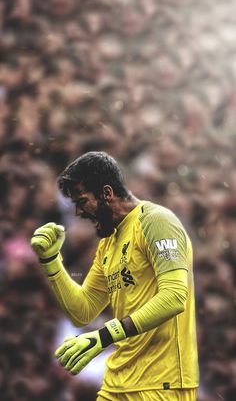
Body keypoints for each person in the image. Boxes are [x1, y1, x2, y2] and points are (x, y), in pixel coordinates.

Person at [31, 151, 199, 401]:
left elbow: (174, 296)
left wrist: (104, 336)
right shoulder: (108, 243)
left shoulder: (156, 221)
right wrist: (51, 262)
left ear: (107, 194)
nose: (78, 212)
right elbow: (83, 311)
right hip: (118, 384)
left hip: (161, 384)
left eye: (82, 201)